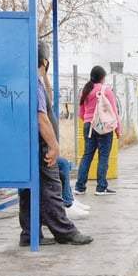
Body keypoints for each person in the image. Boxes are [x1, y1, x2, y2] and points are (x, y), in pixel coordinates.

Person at [18, 42, 93, 247]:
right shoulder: (34, 84)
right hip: (41, 147)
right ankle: (65, 232)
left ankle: (29, 233)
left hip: (29, 146)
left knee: (30, 190)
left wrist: (43, 74)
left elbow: (48, 100)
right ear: (44, 61)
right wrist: (53, 146)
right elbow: (41, 117)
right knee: (51, 187)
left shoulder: (31, 81)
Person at [74, 65, 121, 196]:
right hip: (102, 126)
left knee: (87, 155)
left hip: (88, 125)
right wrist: (118, 129)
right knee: (103, 156)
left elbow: (81, 112)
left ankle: (80, 187)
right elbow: (114, 112)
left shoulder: (85, 90)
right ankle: (101, 187)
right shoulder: (106, 90)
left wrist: (89, 121)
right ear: (102, 77)